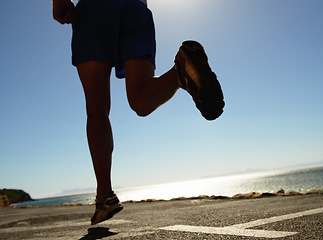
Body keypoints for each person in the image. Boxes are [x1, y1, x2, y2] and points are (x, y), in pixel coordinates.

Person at [52, 0, 224, 225]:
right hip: (134, 7)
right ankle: (178, 73)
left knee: (96, 109)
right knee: (140, 100)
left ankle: (104, 196)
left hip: (94, 10)